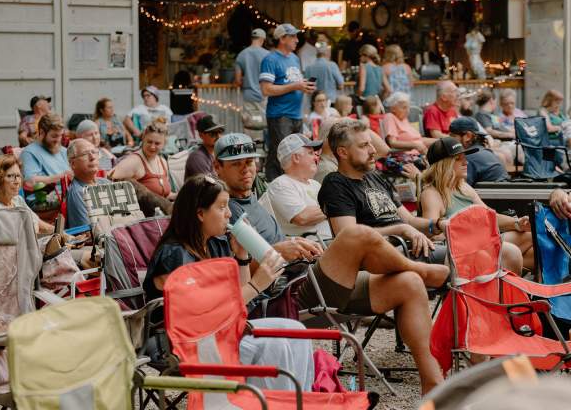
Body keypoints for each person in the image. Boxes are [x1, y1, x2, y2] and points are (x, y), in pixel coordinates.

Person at [213, 132, 447, 395]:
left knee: (409, 284)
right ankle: (419, 267)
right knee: (356, 234)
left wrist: (295, 245)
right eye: (236, 164)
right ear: (217, 167)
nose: (246, 169)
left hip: (304, 277)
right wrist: (277, 251)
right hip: (280, 299)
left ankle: (433, 383)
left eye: (250, 162)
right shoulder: (219, 211)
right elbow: (229, 278)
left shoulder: (254, 202)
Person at [143, 175, 314, 392]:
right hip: (184, 344)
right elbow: (202, 316)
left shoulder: (215, 244)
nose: (229, 214)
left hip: (223, 331)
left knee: (297, 332)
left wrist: (242, 257)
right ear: (200, 213)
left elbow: (241, 303)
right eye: (222, 207)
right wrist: (256, 285)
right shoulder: (174, 255)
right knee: (275, 346)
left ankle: (297, 402)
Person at [317, 120, 448, 264]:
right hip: (378, 258)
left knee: (466, 248)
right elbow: (348, 235)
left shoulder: (374, 176)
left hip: (406, 249)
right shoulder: (336, 184)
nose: (373, 150)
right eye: (364, 145)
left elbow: (409, 221)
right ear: (343, 152)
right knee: (459, 257)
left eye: (370, 143)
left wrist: (437, 225)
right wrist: (401, 230)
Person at [420, 137, 534, 274]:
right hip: (463, 250)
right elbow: (432, 235)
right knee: (513, 253)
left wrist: (517, 223)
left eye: (465, 157)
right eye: (458, 159)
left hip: (483, 241)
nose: (465, 162)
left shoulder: (463, 187)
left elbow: (490, 216)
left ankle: (527, 286)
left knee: (532, 236)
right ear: (443, 165)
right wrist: (467, 231)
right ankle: (505, 291)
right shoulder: (431, 194)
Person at [260, 23, 316, 181]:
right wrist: (296, 86)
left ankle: (291, 186)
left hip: (295, 114)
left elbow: (292, 83)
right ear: (282, 38)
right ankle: (274, 187)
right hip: (279, 114)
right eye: (293, 36)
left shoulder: (294, 58)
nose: (297, 40)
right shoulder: (270, 59)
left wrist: (304, 86)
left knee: (296, 153)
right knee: (281, 154)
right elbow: (266, 89)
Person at [267, 134, 331, 239]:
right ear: (296, 158)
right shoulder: (280, 184)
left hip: (332, 241)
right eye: (310, 153)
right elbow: (303, 217)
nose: (316, 157)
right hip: (314, 248)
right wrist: (338, 205)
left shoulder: (315, 184)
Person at [0, 155, 54, 234]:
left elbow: (41, 224)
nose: (17, 182)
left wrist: (62, 234)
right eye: (10, 176)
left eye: (18, 176)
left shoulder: (17, 200)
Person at [110, 119, 176, 200]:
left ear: (164, 144)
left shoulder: (163, 162)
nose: (152, 146)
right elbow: (107, 180)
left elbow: (165, 194)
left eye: (157, 143)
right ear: (143, 139)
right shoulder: (134, 161)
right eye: (149, 142)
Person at [448, 117, 508, 187]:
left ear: (468, 136)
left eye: (453, 136)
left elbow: (459, 189)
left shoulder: (469, 158)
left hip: (492, 196)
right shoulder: (484, 152)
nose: (450, 141)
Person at [65, 139, 111, 229]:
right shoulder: (78, 192)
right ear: (73, 164)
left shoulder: (106, 182)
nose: (92, 157)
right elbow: (87, 233)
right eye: (85, 154)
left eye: (94, 152)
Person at [19, 113, 70, 188]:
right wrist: (63, 177)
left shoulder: (63, 151)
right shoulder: (29, 152)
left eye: (61, 135)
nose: (59, 140)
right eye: (54, 136)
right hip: (46, 197)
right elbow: (29, 182)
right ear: (42, 132)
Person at [235, 29, 270, 130]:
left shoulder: (241, 55)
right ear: (263, 39)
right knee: (265, 125)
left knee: (250, 125)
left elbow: (238, 81)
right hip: (265, 95)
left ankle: (250, 144)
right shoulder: (268, 55)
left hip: (248, 95)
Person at [184, 114, 225, 180]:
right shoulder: (197, 157)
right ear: (201, 135)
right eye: (213, 133)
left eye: (220, 132)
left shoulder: (219, 154)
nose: (218, 136)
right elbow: (209, 187)